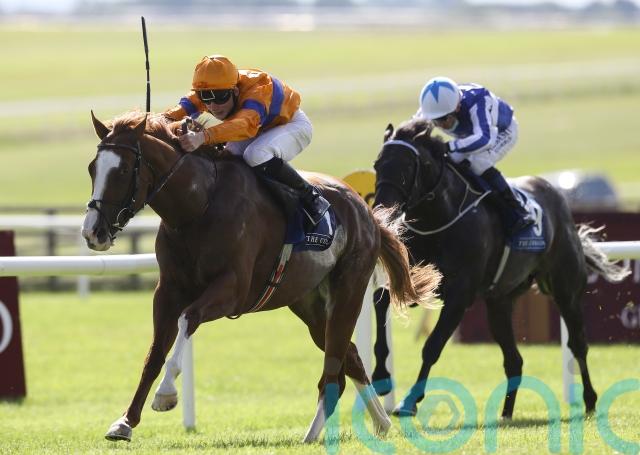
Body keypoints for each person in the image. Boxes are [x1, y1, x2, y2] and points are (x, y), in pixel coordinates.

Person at [164, 55, 330, 225]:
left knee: (256, 154)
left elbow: (244, 125)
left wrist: (203, 137)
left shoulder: (256, 92)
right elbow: (175, 113)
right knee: (228, 159)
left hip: (291, 125)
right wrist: (155, 121)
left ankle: (311, 197)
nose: (213, 106)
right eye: (205, 97)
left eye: (220, 97)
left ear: (235, 91)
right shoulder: (214, 87)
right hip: (257, 129)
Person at [416, 76, 535, 235]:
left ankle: (517, 210)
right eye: (435, 121)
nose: (440, 125)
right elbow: (412, 129)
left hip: (500, 132)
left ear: (457, 107)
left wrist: (449, 146)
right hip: (471, 135)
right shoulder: (432, 107)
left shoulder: (478, 101)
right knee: (449, 161)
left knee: (478, 163)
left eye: (443, 119)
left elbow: (484, 139)